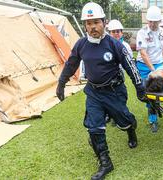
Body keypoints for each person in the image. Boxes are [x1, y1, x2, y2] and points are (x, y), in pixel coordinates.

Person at [55, 2, 146, 179]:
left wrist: (139, 87)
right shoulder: (81, 44)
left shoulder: (114, 45)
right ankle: (105, 162)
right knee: (94, 127)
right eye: (89, 23)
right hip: (93, 92)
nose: (92, 27)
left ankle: (130, 129)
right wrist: (61, 83)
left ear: (104, 22)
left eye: (96, 22)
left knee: (124, 121)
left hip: (114, 91)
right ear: (85, 26)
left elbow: (130, 66)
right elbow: (71, 64)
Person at [136, 6, 163, 133]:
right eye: (150, 21)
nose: (153, 24)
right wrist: (153, 70)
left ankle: (155, 110)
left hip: (159, 64)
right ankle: (153, 120)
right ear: (147, 20)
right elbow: (143, 54)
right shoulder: (142, 33)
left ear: (160, 21)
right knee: (149, 94)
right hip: (144, 66)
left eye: (155, 21)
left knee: (158, 92)